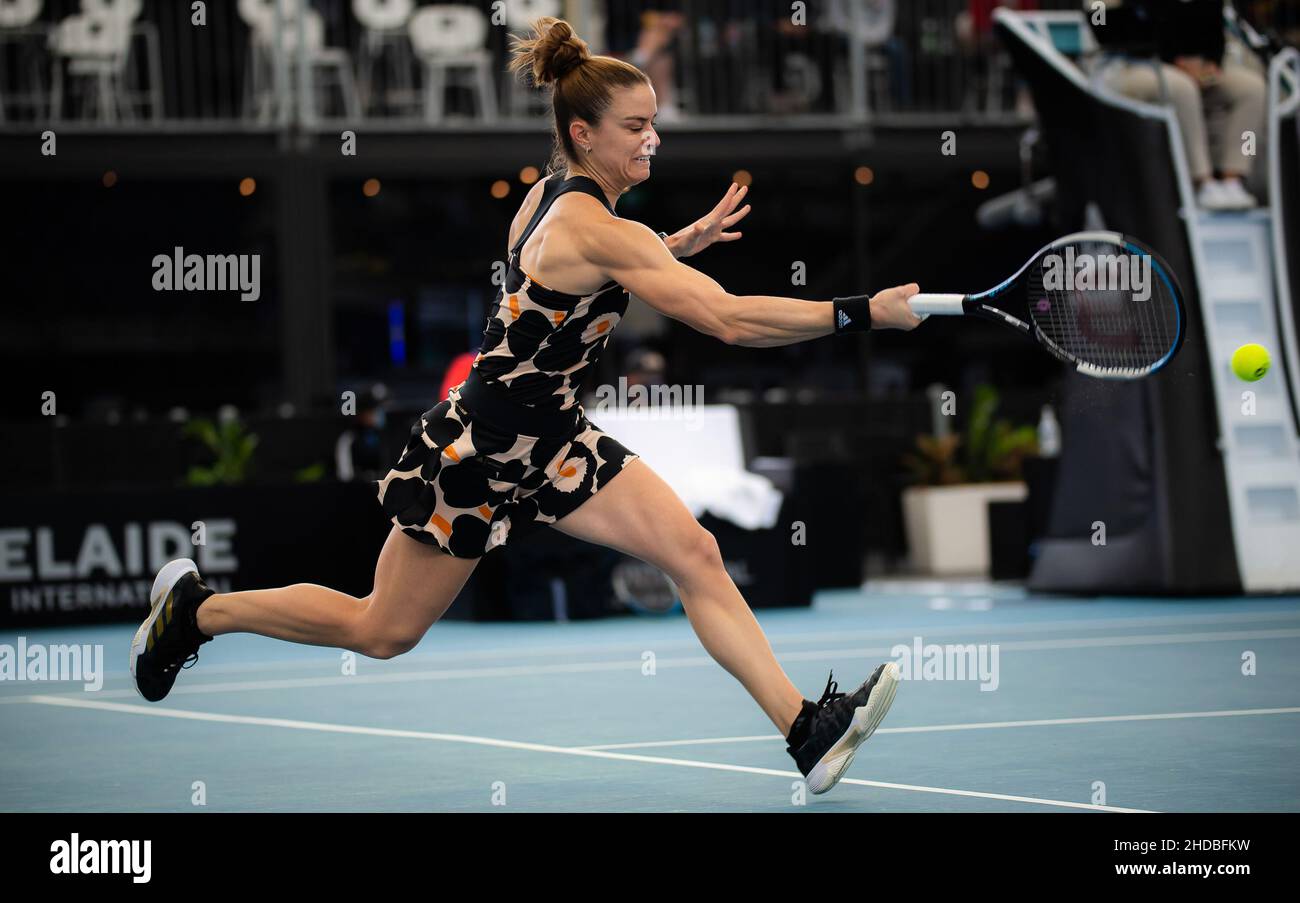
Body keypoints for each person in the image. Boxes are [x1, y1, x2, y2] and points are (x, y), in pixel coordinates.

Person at [129, 16, 923, 796]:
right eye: (636, 127)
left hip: (557, 442)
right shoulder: (600, 227)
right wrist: (863, 311)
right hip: (477, 447)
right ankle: (197, 613)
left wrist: (672, 246)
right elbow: (727, 319)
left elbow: (574, 277)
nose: (653, 140)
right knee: (382, 629)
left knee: (696, 554)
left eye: (655, 125)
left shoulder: (549, 198)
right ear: (584, 133)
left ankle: (805, 734)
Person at [1090, 0, 1267, 210]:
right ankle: (1202, 181)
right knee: (1182, 88)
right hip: (1130, 64)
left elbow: (1208, 16)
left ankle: (1234, 177)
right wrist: (1175, 61)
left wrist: (1211, 61)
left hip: (1190, 61)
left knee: (1252, 88)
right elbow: (1104, 23)